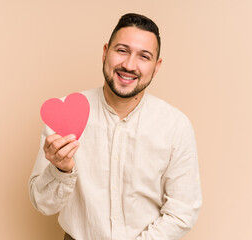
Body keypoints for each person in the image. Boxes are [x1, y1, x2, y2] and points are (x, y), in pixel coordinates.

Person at [29, 13, 202, 240]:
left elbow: (183, 211)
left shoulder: (176, 126)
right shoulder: (65, 115)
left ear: (156, 66)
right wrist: (61, 170)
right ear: (105, 52)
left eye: (144, 56)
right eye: (122, 50)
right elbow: (43, 204)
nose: (129, 65)